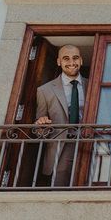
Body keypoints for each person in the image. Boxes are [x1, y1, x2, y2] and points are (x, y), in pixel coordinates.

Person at [35, 44, 88, 186]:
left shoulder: (93, 86)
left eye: (75, 58)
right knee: (60, 189)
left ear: (81, 60)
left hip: (89, 144)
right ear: (59, 62)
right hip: (61, 148)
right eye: (66, 59)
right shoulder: (44, 91)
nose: (71, 63)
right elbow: (39, 129)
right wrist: (41, 124)